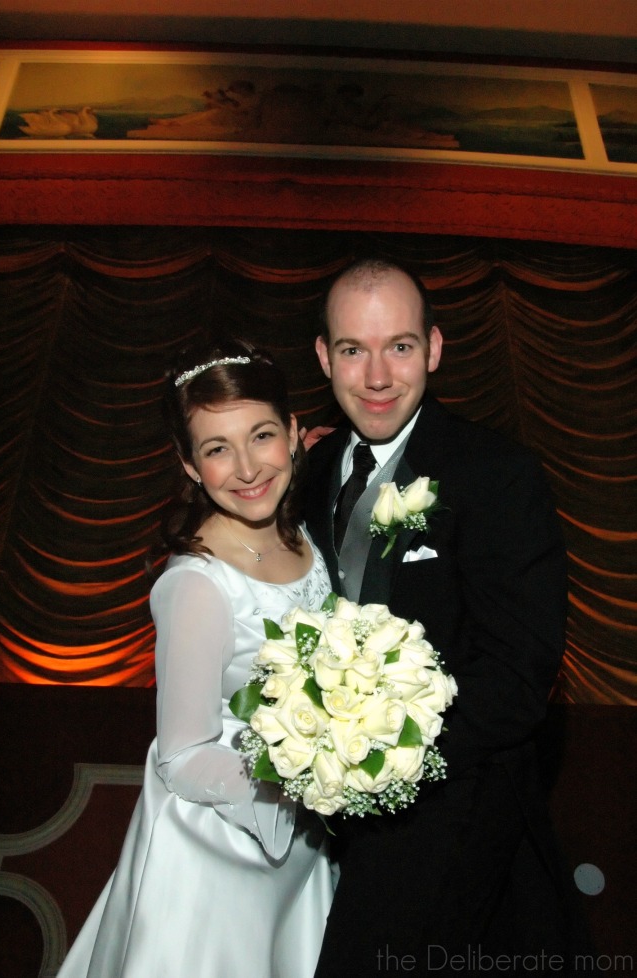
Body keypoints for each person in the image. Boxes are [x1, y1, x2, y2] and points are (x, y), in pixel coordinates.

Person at [305, 259, 587, 977]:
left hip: (451, 815)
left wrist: (386, 763)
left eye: (398, 346)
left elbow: (519, 674)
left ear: (433, 348)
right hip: (312, 823)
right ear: (322, 356)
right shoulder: (304, 475)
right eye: (352, 350)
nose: (376, 377)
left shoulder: (497, 474)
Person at [58, 337, 334, 978]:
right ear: (188, 466)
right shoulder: (197, 584)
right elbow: (182, 755)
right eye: (217, 449)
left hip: (300, 852)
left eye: (261, 436)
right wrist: (306, 782)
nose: (246, 467)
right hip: (216, 852)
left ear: (293, 433)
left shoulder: (304, 539)